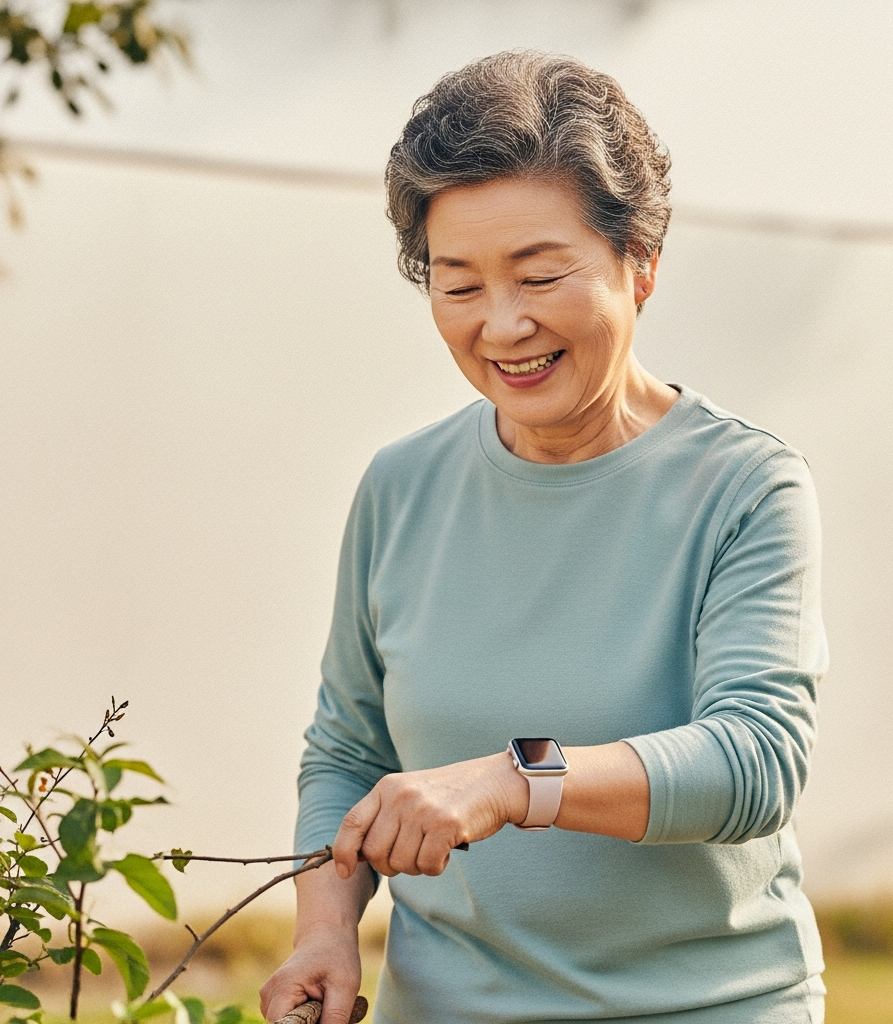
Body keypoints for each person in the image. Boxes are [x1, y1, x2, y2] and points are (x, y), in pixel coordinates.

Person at [260, 50, 828, 1024]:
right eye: (459, 284)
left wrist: (518, 779)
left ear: (639, 263)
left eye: (539, 274)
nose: (504, 324)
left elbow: (754, 760)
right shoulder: (402, 486)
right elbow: (347, 750)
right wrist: (324, 928)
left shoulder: (744, 486)